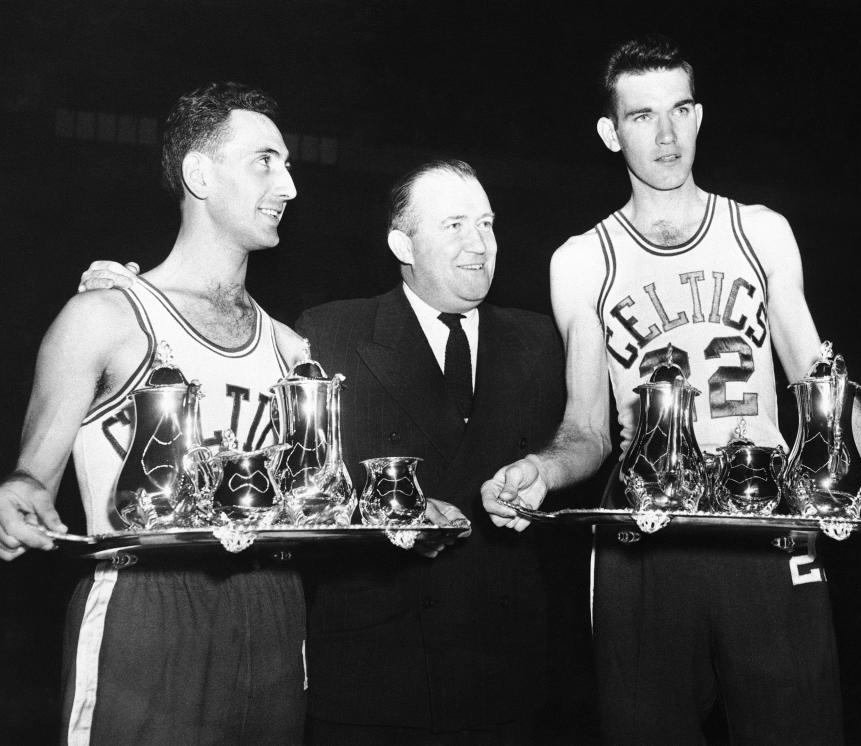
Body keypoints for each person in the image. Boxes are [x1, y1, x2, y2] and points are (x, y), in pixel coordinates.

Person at [482, 35, 861, 745]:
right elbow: (586, 429)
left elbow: (816, 381)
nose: (667, 135)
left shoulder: (761, 232)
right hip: (644, 535)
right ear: (611, 134)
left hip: (762, 520)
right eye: (642, 117)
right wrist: (539, 473)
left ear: (700, 115)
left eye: (680, 110)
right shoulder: (582, 261)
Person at [76, 159, 595, 744]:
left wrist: (546, 470)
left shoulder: (540, 341)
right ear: (403, 242)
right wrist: (127, 295)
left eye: (487, 223)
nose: (480, 243)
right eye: (455, 225)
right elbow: (226, 374)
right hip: (370, 678)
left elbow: (587, 440)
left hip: (503, 674)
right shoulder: (324, 334)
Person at [1, 81, 311, 744]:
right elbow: (32, 475)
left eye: (288, 166)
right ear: (200, 174)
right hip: (150, 601)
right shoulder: (107, 315)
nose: (288, 186)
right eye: (265, 161)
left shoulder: (290, 347)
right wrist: (17, 497)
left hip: (274, 606)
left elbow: (315, 497)